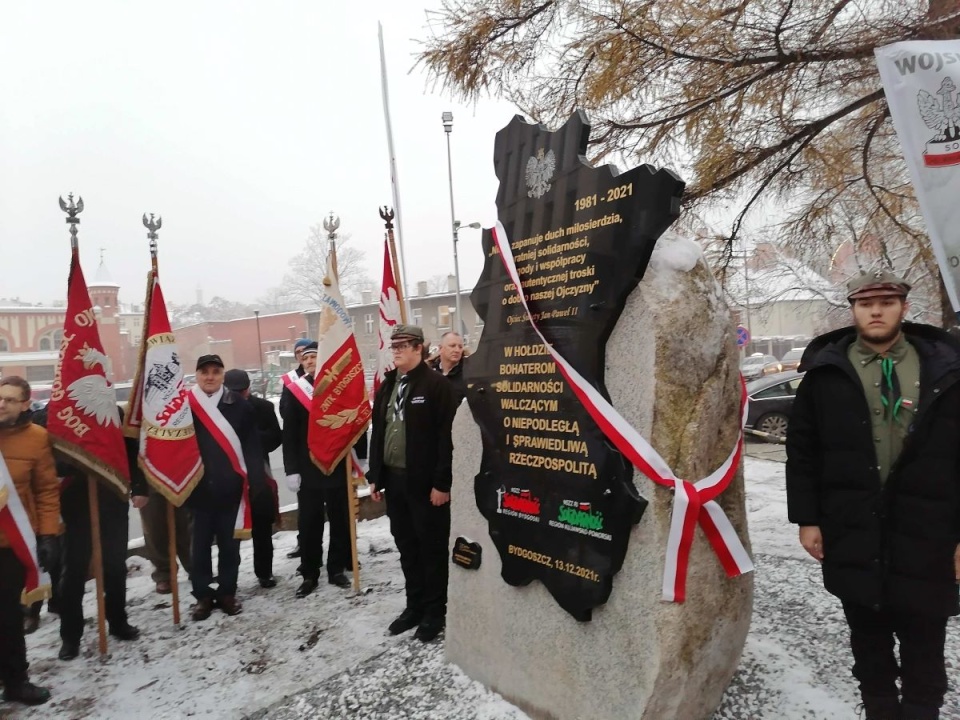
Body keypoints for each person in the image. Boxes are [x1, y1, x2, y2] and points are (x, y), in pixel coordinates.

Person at [786, 270, 960, 720]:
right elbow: (803, 454)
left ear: (903, 306)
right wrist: (808, 519)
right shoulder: (825, 375)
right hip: (853, 529)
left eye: (886, 301)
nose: (876, 310)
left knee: (925, 640)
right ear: (854, 310)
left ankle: (922, 711)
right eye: (866, 303)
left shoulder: (947, 370)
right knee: (868, 636)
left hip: (929, 533)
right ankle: (880, 709)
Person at [30, 407, 148, 661]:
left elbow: (129, 452)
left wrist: (139, 486)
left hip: (112, 500)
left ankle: (118, 621)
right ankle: (70, 636)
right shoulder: (53, 412)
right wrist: (84, 461)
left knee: (115, 567)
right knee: (73, 572)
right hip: (73, 506)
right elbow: (47, 458)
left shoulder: (113, 412)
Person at [368, 325, 457, 642]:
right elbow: (379, 432)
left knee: (431, 549)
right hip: (395, 481)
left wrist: (442, 483)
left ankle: (436, 611)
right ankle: (414, 606)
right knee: (407, 547)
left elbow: (448, 438)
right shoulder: (389, 385)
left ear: (419, 348)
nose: (396, 351)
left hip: (425, 485)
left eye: (403, 345)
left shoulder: (437, 386)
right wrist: (376, 475)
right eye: (394, 346)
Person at [187, 355, 266, 620]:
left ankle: (227, 592)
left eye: (216, 372)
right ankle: (202, 596)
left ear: (223, 375)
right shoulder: (186, 406)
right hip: (197, 490)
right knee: (198, 549)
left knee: (229, 546)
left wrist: (256, 482)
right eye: (204, 372)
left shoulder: (240, 406)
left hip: (230, 488)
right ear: (196, 375)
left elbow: (252, 447)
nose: (210, 377)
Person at [0, 376, 59, 706]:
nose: (2, 404)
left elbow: (47, 491)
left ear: (25, 404)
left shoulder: (37, 439)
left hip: (10, 544)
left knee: (8, 617)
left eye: (10, 399)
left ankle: (16, 681)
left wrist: (48, 533)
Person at [281, 342, 352, 597]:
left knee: (340, 520)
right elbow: (288, 433)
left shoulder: (339, 388)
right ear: (302, 362)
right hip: (307, 469)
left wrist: (359, 458)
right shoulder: (293, 391)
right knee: (310, 524)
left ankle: (336, 569)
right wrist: (291, 469)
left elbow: (352, 422)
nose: (311, 361)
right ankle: (310, 573)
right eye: (307, 358)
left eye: (315, 357)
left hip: (335, 466)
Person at [224, 368, 282, 588]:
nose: (238, 396)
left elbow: (276, 437)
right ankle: (229, 580)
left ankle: (264, 572)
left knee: (262, 527)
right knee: (230, 531)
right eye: (233, 392)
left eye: (241, 391)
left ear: (248, 389)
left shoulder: (264, 407)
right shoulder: (219, 409)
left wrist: (251, 439)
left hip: (259, 474)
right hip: (229, 475)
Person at [280, 337, 313, 560]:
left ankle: (344, 555)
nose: (304, 356)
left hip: (331, 456)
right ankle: (306, 549)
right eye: (300, 353)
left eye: (309, 353)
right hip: (304, 457)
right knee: (308, 513)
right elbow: (287, 419)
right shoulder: (292, 383)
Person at [429, 331, 467, 404]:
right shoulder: (429, 374)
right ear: (440, 348)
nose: (457, 350)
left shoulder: (469, 373)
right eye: (452, 346)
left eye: (460, 347)